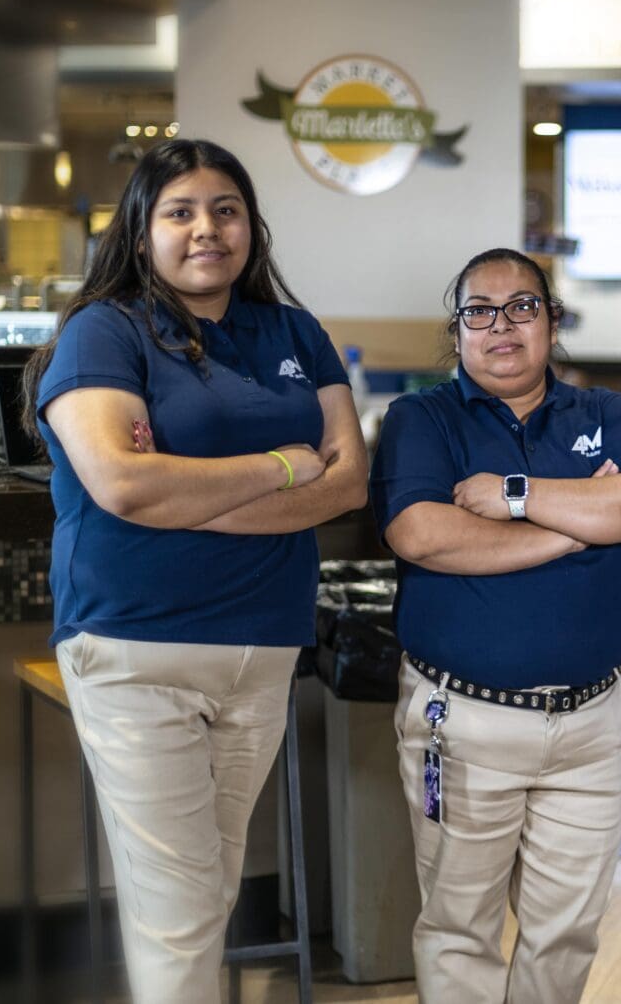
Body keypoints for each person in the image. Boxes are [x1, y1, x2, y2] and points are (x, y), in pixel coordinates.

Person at [24, 138, 368, 1003]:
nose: (206, 229)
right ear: (142, 232)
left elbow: (348, 483)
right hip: (139, 649)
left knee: (206, 894)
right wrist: (282, 466)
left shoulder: (293, 333)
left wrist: (186, 494)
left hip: (263, 648)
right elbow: (124, 484)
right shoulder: (105, 332)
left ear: (252, 226)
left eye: (226, 210)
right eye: (179, 212)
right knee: (178, 916)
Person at [368, 247, 621, 1002]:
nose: (501, 325)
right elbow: (422, 535)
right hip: (464, 725)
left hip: (592, 727)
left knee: (567, 932)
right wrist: (574, 526)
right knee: (459, 929)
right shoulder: (421, 419)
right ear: (458, 331)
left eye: (522, 307)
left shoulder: (605, 412)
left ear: (552, 322)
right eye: (479, 311)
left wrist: (513, 495)